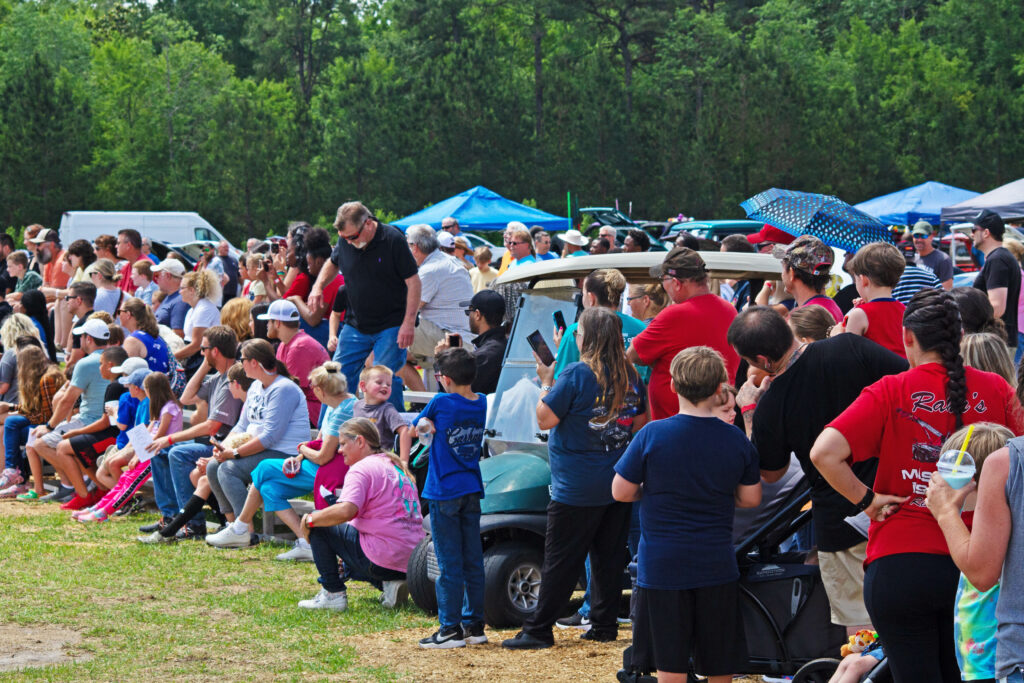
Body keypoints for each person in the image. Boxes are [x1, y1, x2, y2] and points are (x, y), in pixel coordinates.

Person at [810, 289, 1024, 683]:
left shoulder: (890, 390)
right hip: (981, 567)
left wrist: (867, 500)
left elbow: (824, 453)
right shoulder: (997, 389)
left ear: (908, 336)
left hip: (901, 562)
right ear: (959, 338)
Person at [728, 306, 908, 634]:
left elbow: (769, 473)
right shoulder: (849, 346)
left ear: (762, 360)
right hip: (899, 496)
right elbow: (906, 380)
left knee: (861, 627)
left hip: (841, 518)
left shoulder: (770, 405)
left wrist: (750, 411)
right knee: (909, 616)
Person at [612, 347, 760, 683]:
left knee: (671, 664)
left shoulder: (652, 434)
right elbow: (750, 498)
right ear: (719, 388)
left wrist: (651, 491)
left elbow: (620, 491)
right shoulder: (736, 440)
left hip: (663, 566)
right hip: (716, 564)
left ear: (674, 387)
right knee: (720, 662)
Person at [503, 307, 647, 650]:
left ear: (588, 338)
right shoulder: (630, 375)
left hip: (576, 486)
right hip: (616, 482)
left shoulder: (575, 374)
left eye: (578, 333)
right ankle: (604, 623)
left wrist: (546, 381)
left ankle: (538, 629)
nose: (575, 337)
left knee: (561, 559)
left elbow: (544, 419)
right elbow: (641, 427)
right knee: (609, 558)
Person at [207, 361, 355, 555]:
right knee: (269, 489)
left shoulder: (344, 409)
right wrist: (300, 456)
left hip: (332, 471)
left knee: (264, 467)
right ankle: (307, 543)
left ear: (319, 390)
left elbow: (322, 457)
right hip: (318, 465)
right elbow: (318, 443)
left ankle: (240, 528)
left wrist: (301, 448)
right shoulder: (334, 405)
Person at [926, 428, 1024, 683]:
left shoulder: (999, 537)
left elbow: (982, 573)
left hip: (996, 662)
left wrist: (946, 512)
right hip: (983, 664)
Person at [295, 417, 423, 610]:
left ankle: (333, 593)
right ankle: (390, 584)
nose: (339, 450)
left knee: (320, 525)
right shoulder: (397, 467)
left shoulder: (361, 468)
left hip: (383, 557)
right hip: (411, 561)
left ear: (361, 441)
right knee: (349, 547)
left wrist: (308, 520)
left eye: (344, 444)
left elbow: (346, 511)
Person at [308, 201, 420, 412]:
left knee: (382, 378)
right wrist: (318, 287)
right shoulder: (345, 241)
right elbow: (332, 263)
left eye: (352, 237)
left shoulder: (392, 239)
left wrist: (408, 322)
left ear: (368, 223)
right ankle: (328, 435)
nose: (349, 243)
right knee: (335, 375)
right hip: (356, 323)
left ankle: (392, 432)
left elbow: (413, 282)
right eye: (343, 238)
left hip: (391, 323)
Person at [411, 348, 488, 648]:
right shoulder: (480, 401)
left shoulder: (441, 401)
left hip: (443, 490)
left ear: (445, 379)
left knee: (448, 562)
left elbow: (420, 425)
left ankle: (450, 629)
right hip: (471, 487)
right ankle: (474, 625)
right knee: (473, 560)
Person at [142, 337, 244, 539]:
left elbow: (211, 426)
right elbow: (186, 399)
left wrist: (170, 439)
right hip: (214, 444)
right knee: (160, 451)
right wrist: (205, 366)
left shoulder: (231, 381)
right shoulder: (218, 377)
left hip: (226, 446)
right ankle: (170, 515)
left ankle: (194, 524)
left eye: (204, 349)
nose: (201, 354)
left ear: (215, 350)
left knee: (177, 452)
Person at [207, 339, 310, 525]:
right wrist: (224, 447)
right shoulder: (255, 386)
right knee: (213, 466)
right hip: (262, 449)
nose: (240, 363)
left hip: (285, 454)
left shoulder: (283, 389)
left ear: (254, 362)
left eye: (242, 359)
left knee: (229, 470)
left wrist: (235, 453)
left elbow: (270, 437)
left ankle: (245, 530)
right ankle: (230, 524)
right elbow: (241, 425)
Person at [629, 247, 740, 419]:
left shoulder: (674, 315)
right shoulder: (730, 310)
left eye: (663, 279)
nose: (663, 286)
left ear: (676, 283)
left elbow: (633, 355)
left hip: (678, 424)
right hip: (718, 419)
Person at [75, 371, 183, 523]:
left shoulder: (169, 408)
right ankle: (98, 508)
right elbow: (149, 432)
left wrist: (138, 455)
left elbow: (159, 435)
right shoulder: (159, 407)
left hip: (158, 453)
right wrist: (137, 453)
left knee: (130, 482)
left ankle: (104, 513)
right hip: (149, 451)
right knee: (125, 478)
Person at [28, 318, 112, 509]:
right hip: (104, 421)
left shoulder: (86, 363)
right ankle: (83, 485)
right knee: (50, 443)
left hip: (89, 421)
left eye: (81, 336)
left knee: (40, 443)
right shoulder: (116, 355)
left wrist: (49, 426)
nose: (80, 340)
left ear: (88, 339)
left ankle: (83, 491)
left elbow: (67, 399)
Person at [401, 224, 474, 392]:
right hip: (460, 336)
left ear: (415, 247)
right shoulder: (447, 261)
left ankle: (423, 402)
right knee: (396, 352)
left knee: (384, 347)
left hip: (450, 336)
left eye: (407, 244)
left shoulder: (430, 270)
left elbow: (408, 309)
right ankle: (424, 399)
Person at [553, 269, 647, 379]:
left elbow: (561, 382)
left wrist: (563, 348)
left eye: (583, 294)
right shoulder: (641, 328)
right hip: (634, 393)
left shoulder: (577, 331)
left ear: (591, 298)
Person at [0, 346, 65, 498]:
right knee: (11, 422)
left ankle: (15, 475)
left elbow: (47, 415)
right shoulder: (39, 377)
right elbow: (34, 408)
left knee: (11, 424)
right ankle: (17, 478)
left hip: (51, 425)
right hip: (43, 422)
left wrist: (12, 413)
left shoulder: (48, 379)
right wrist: (10, 407)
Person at [259, 299, 329, 424]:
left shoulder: (299, 346)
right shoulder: (286, 344)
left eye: (269, 321)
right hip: (305, 406)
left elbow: (291, 392)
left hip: (316, 411)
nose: (267, 325)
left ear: (278, 323)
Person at [832, 242, 907, 357]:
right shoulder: (905, 310)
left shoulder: (859, 314)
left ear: (863, 280)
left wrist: (836, 334)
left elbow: (847, 355)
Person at [433, 290, 507, 395]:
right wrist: (455, 358)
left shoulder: (483, 356)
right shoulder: (504, 344)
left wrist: (441, 359)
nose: (468, 316)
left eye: (468, 312)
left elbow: (452, 394)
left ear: (477, 315)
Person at [973, 209, 1022, 350]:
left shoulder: (998, 260)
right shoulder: (1000, 257)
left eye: (974, 229)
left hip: (997, 344)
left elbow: (997, 308)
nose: (971, 234)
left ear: (986, 233)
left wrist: (969, 318)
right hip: (999, 342)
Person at [770, 235, 844, 322]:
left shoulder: (803, 318)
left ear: (791, 273)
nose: (781, 274)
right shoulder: (831, 306)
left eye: (782, 267)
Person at [352, 365, 412, 463]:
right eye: (379, 382)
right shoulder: (357, 406)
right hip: (358, 460)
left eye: (388, 384)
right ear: (363, 386)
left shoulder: (387, 409)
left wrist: (403, 461)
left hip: (380, 461)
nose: (385, 386)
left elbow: (404, 430)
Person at [174, 269, 221, 372]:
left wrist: (171, 357)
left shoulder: (204, 309)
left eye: (182, 288)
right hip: (194, 358)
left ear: (191, 290)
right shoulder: (193, 310)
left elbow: (196, 345)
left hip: (202, 361)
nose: (179, 291)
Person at [910, 221, 954, 290]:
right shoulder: (911, 259)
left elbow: (947, 290)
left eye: (923, 236)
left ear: (931, 237)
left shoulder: (942, 259)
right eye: (916, 236)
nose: (919, 239)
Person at [152, 259, 189, 338]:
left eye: (157, 275)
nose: (156, 279)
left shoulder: (180, 300)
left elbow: (178, 335)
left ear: (168, 276)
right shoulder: (171, 296)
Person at [18, 290, 57, 362]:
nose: (19, 306)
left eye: (21, 303)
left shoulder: (32, 327)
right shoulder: (40, 322)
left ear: (26, 307)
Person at [115, 229, 144, 293]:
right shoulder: (126, 267)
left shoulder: (145, 268)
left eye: (118, 243)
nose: (116, 246)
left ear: (128, 245)